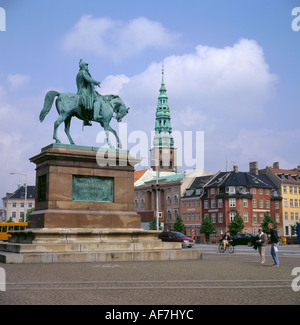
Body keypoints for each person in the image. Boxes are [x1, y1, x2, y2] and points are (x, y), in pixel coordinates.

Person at [76, 59, 102, 126]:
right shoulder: (83, 72)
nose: (87, 67)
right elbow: (88, 79)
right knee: (97, 100)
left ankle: (86, 121)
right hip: (84, 91)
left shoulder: (79, 73)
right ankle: (96, 115)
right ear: (82, 66)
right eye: (86, 66)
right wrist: (96, 82)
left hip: (80, 91)